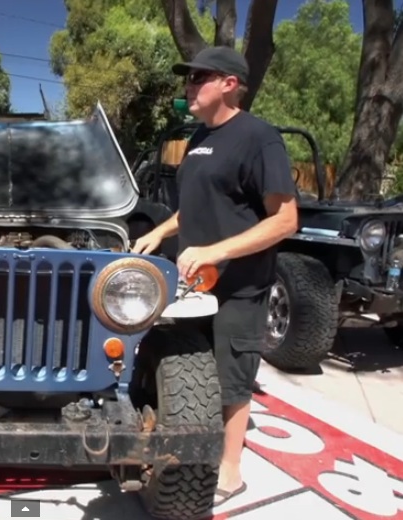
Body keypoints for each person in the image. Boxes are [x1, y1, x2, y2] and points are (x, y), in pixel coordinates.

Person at [131, 46, 298, 507]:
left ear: (229, 84)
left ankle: (230, 471)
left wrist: (216, 250)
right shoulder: (201, 138)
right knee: (187, 369)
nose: (189, 85)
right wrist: (161, 231)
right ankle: (185, 453)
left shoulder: (259, 138)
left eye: (199, 77)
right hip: (193, 287)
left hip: (238, 288)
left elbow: (285, 220)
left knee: (230, 380)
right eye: (188, 78)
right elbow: (200, 206)